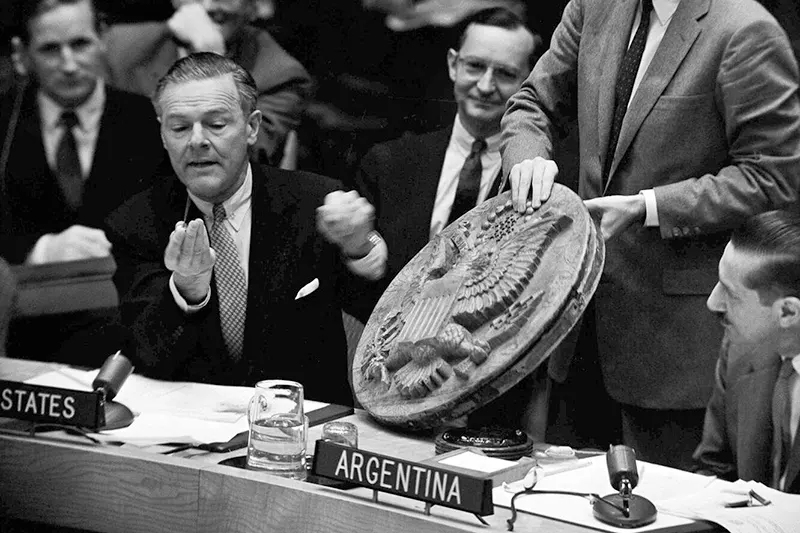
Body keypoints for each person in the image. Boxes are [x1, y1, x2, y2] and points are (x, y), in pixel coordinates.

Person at [500, 0, 800, 468]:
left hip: (673, 351)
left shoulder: (745, 30)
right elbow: (532, 102)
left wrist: (650, 206)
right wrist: (526, 158)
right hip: (575, 328)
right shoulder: (592, 7)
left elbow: (772, 177)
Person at [105, 52, 387, 405]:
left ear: (252, 127)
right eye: (179, 128)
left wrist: (359, 248)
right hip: (192, 427)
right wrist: (186, 292)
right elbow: (145, 353)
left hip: (303, 423)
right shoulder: (136, 222)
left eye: (216, 124)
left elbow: (377, 315)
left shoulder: (314, 202)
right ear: (162, 135)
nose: (197, 141)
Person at [356, 7, 541, 300]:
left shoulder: (539, 176)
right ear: (454, 65)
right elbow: (359, 287)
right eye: (475, 66)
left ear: (528, 81)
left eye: (505, 73)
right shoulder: (389, 164)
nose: (485, 86)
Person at [0, 0, 166, 265]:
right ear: (23, 54)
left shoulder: (148, 119)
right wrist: (39, 251)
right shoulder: (5, 123)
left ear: (102, 39)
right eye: (50, 49)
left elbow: (168, 217)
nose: (69, 65)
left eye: (80, 44)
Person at [102, 0, 312, 166]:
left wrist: (210, 58)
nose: (208, 6)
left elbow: (235, 163)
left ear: (253, 6)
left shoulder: (282, 76)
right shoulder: (119, 46)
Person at [694, 209, 800, 494]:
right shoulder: (738, 353)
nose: (712, 302)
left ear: (788, 311)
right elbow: (713, 469)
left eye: (730, 292)